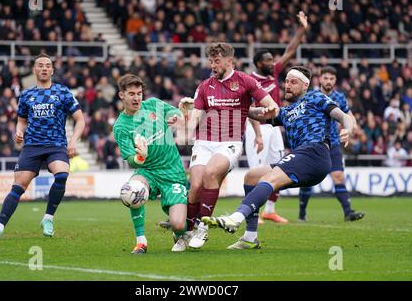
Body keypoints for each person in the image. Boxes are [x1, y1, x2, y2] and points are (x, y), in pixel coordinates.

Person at [202, 66, 355, 249]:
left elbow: (343, 116)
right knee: (252, 176)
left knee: (268, 179)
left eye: (293, 82)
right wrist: (225, 103)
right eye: (287, 82)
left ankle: (236, 218)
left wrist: (348, 128)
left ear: (305, 85)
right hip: (302, 157)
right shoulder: (285, 111)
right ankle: (250, 238)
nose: (287, 86)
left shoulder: (316, 97)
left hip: (315, 153)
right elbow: (254, 113)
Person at [183, 42, 278, 249]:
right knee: (195, 186)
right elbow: (195, 117)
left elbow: (271, 104)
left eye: (217, 61)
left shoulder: (246, 81)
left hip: (230, 143)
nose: (213, 65)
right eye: (210, 61)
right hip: (203, 142)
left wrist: (271, 110)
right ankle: (186, 232)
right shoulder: (204, 86)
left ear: (229, 60)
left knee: (210, 173)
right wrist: (185, 127)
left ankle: (202, 228)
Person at [0, 54, 85, 240]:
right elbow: (21, 121)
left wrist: (73, 141)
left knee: (62, 174)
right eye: (40, 65)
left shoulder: (63, 92)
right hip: (32, 146)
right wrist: (19, 132)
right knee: (18, 187)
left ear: (52, 70)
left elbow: (80, 119)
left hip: (56, 145)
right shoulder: (26, 95)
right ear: (34, 70)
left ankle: (48, 218)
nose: (44, 68)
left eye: (48, 65)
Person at [113, 74, 189, 253]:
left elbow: (179, 118)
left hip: (173, 171)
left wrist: (183, 112)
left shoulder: (154, 105)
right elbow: (131, 160)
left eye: (139, 93)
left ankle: (179, 232)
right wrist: (140, 157)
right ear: (121, 95)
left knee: (179, 225)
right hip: (148, 171)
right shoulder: (120, 126)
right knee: (132, 189)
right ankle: (141, 241)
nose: (136, 98)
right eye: (131, 94)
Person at [245, 11, 308, 224]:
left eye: (273, 59)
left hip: (274, 126)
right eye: (268, 60)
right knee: (257, 169)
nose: (273, 63)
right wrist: (257, 135)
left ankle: (269, 210)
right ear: (257, 63)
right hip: (258, 126)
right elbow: (249, 109)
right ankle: (253, 208)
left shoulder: (273, 74)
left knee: (277, 164)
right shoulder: (249, 80)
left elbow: (290, 51)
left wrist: (302, 29)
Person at [298, 66, 365, 222]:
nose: (328, 81)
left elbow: (348, 114)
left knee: (338, 176)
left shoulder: (339, 97)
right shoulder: (311, 96)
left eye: (331, 79)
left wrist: (352, 127)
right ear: (320, 79)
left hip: (333, 143)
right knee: (307, 180)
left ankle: (348, 213)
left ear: (335, 80)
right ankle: (302, 213)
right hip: (312, 144)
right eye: (326, 78)